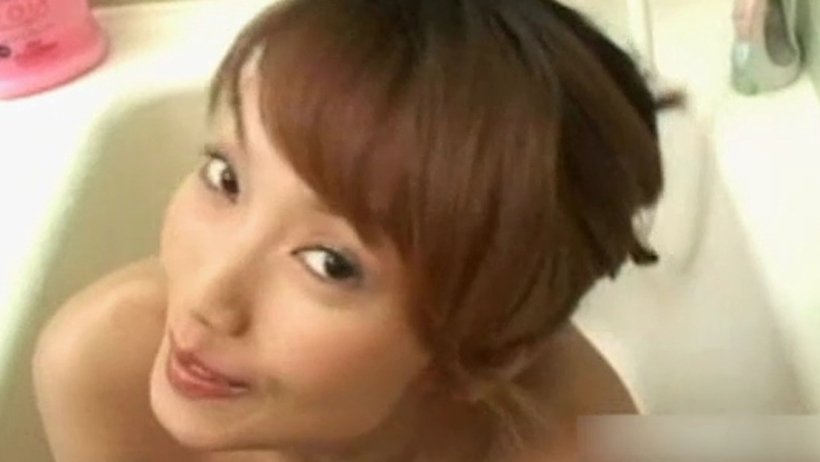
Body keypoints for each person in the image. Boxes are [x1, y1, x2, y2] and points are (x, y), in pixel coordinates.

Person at [33, 0, 676, 460]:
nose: (207, 298)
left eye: (331, 263)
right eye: (227, 179)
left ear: (485, 355)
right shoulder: (103, 364)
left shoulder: (573, 441)